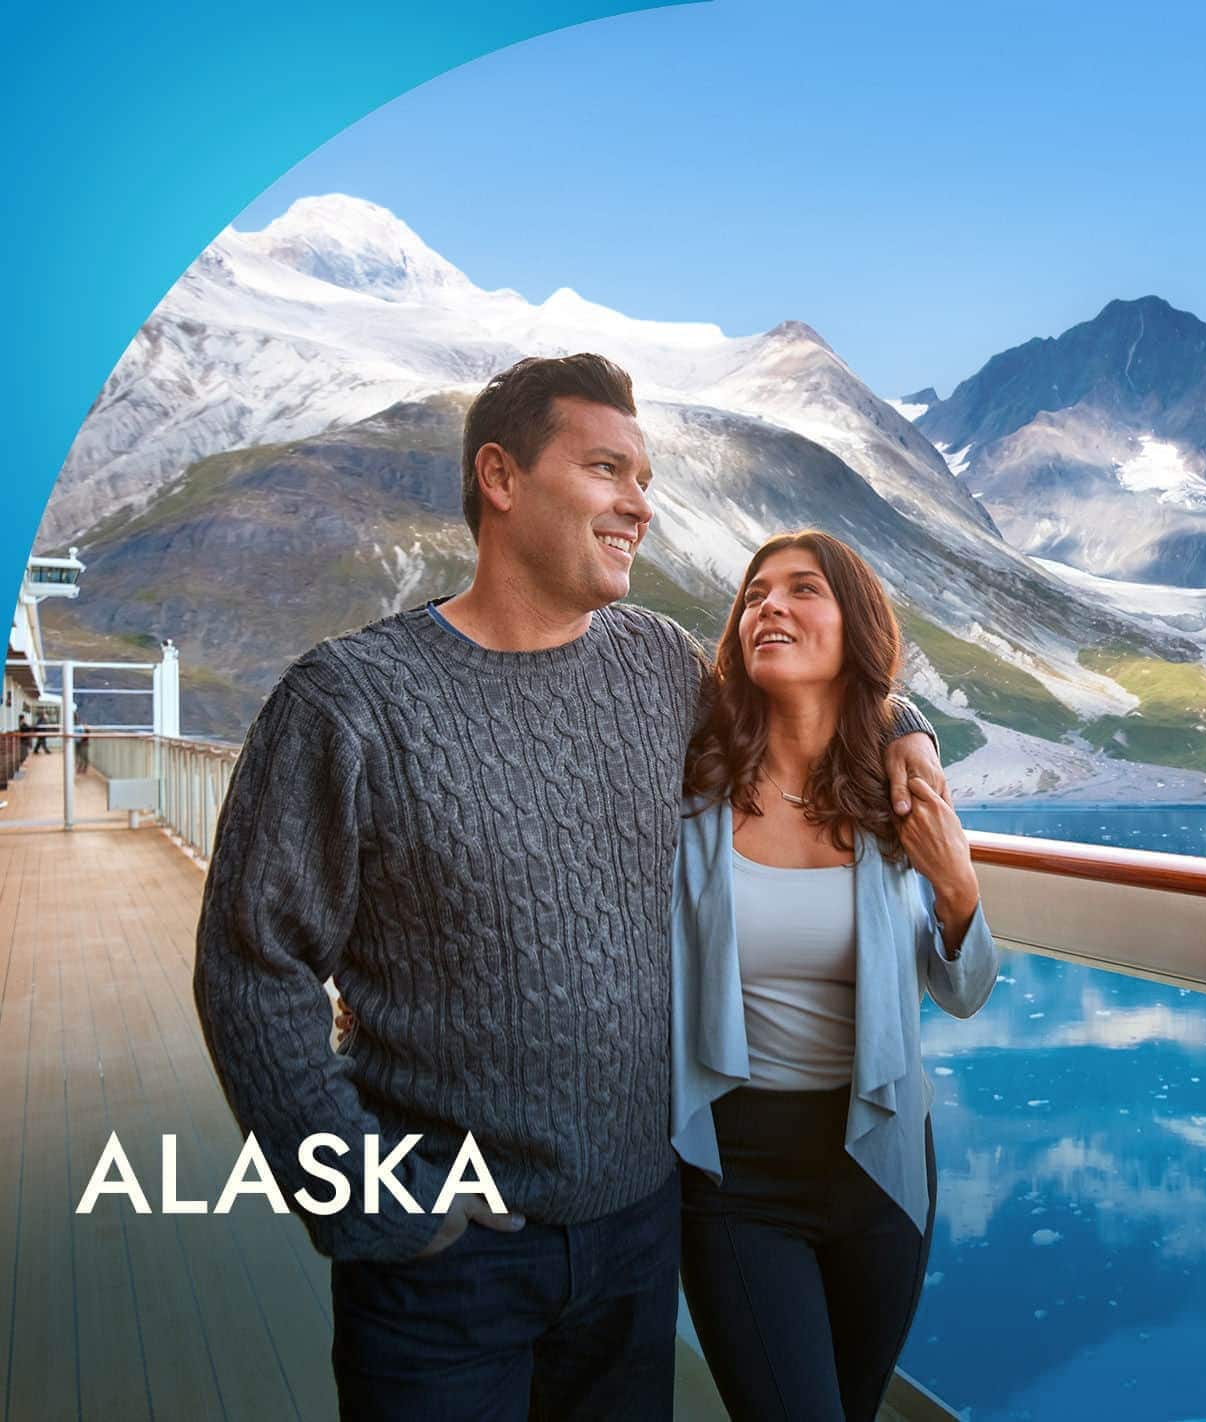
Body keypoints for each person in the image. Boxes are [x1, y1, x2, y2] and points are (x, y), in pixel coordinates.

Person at [193, 354, 945, 1422]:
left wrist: (905, 726)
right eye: (606, 470)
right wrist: (367, 1201)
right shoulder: (349, 702)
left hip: (638, 1239)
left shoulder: (659, 667)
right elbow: (249, 965)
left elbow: (811, 692)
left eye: (644, 478)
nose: (640, 505)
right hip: (444, 1266)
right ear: (501, 479)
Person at [672, 531, 998, 1422]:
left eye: (801, 590)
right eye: (754, 595)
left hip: (882, 1164)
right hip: (734, 1176)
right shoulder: (691, 787)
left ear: (854, 630)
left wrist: (957, 885)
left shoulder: (895, 803)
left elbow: (963, 992)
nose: (768, 606)